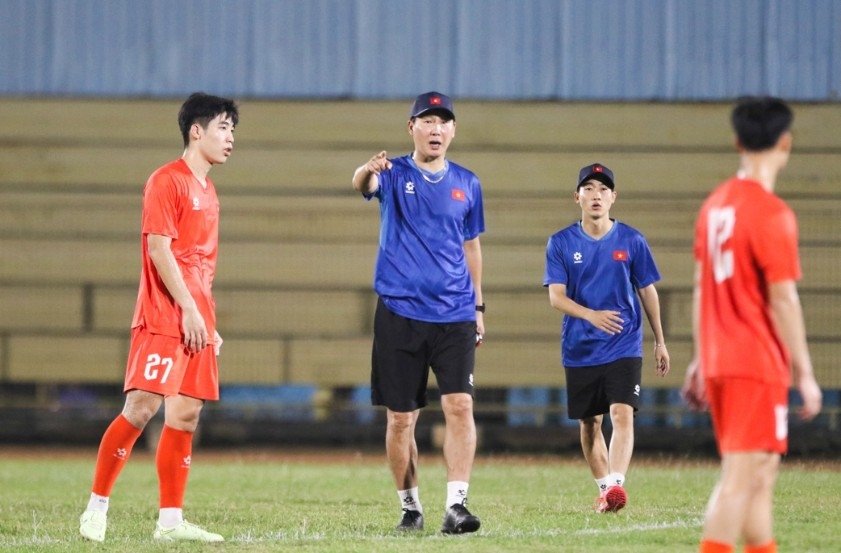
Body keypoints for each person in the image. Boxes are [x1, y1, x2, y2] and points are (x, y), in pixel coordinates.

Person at [78, 92, 238, 543]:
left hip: (194, 316)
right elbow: (158, 249)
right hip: (165, 315)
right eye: (223, 128)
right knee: (142, 407)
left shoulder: (209, 189)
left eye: (233, 130)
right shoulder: (167, 180)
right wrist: (187, 309)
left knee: (185, 416)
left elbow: (198, 264)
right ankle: (96, 508)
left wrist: (207, 318)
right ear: (196, 130)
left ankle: (170, 523)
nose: (230, 139)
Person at [682, 96, 822, 553]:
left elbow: (703, 288)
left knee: (760, 475)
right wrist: (805, 373)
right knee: (740, 480)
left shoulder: (714, 205)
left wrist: (702, 358)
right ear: (787, 142)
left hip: (725, 359)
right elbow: (783, 299)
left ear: (736, 141)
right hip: (754, 362)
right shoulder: (771, 213)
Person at [351, 91, 485, 534]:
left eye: (443, 121)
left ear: (452, 130)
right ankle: (410, 507)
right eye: (427, 120)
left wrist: (478, 304)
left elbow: (471, 245)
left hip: (455, 314)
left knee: (460, 406)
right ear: (411, 128)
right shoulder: (393, 173)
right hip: (399, 313)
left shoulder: (468, 182)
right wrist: (368, 170)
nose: (435, 128)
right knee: (400, 419)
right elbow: (362, 185)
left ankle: (457, 506)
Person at [543, 163, 670, 513]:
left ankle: (616, 485)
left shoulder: (632, 240)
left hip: (624, 343)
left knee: (622, 411)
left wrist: (659, 340)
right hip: (580, 347)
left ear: (613, 197)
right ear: (577, 197)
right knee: (590, 423)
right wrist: (590, 315)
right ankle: (605, 491)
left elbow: (647, 291)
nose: (596, 195)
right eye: (588, 188)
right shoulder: (561, 242)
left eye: (603, 189)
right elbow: (556, 296)